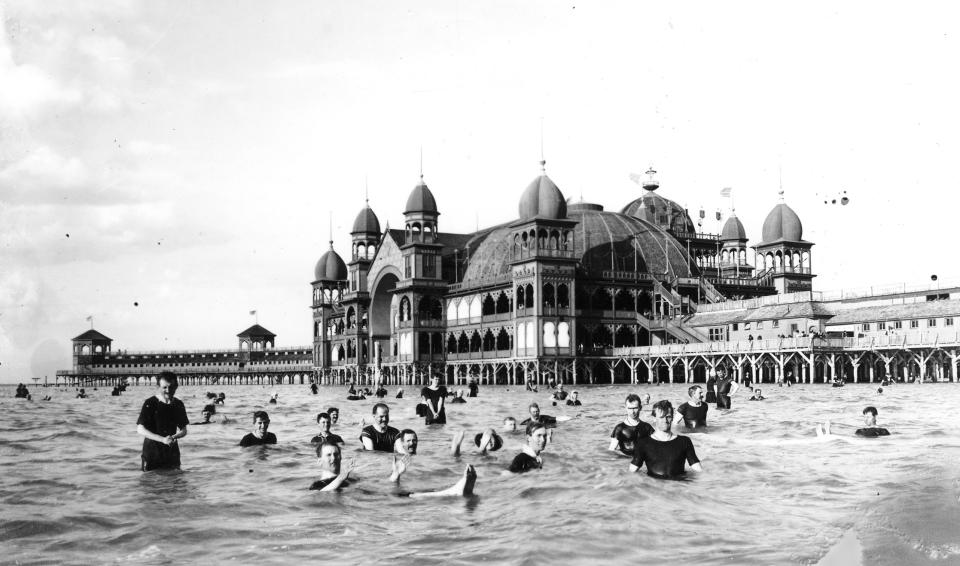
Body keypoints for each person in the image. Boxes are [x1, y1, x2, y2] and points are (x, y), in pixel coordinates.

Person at [311, 443, 477, 497]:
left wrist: (396, 475)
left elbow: (383, 486)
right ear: (319, 461)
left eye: (337, 454)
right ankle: (454, 491)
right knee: (406, 497)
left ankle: (454, 490)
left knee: (408, 494)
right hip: (363, 505)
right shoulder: (318, 484)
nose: (334, 458)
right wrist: (340, 478)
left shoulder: (350, 478)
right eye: (329, 455)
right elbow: (320, 495)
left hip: (374, 499)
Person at [629, 400, 702, 479]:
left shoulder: (684, 441)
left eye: (668, 417)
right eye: (661, 417)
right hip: (655, 487)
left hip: (679, 487)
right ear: (654, 418)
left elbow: (699, 471)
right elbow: (631, 473)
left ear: (672, 418)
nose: (665, 420)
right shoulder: (643, 443)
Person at [136, 371, 189, 471]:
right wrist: (162, 439)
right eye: (164, 387)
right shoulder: (150, 403)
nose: (168, 390)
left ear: (176, 386)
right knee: (150, 482)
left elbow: (184, 430)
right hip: (151, 452)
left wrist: (173, 437)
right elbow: (140, 429)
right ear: (158, 387)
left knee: (175, 483)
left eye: (171, 387)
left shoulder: (178, 404)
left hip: (171, 451)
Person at [816, 406, 890, 438]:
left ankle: (829, 435)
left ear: (875, 417)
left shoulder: (883, 430)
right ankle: (829, 434)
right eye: (865, 417)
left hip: (873, 433)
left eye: (868, 417)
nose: (866, 419)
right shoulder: (860, 430)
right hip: (864, 433)